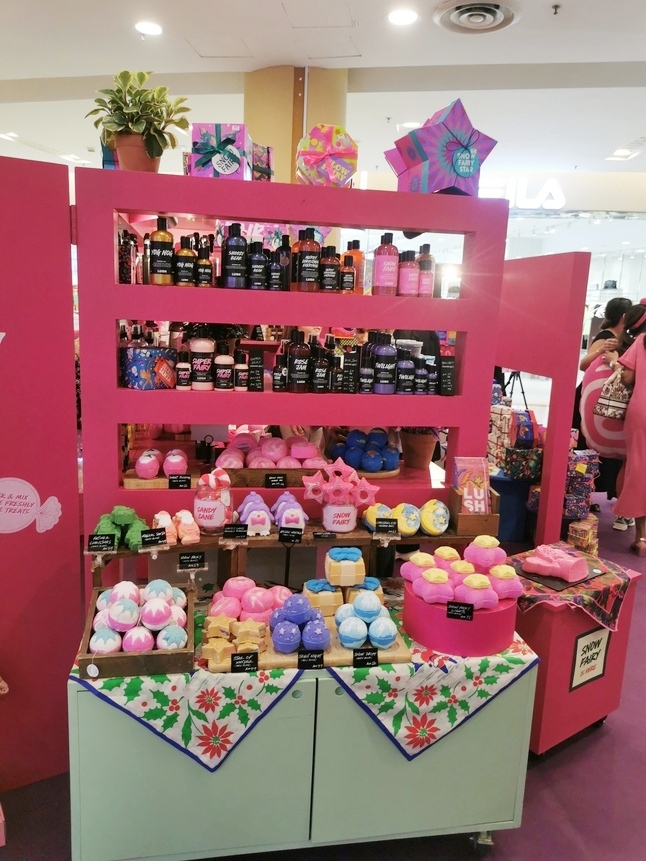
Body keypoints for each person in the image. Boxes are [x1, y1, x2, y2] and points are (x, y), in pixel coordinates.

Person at [574, 297, 633, 526]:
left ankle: (592, 495)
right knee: (588, 450)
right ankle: (583, 496)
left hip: (610, 402)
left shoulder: (626, 339)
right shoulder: (607, 336)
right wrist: (604, 352)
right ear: (624, 316)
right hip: (595, 401)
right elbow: (584, 364)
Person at [611, 300, 646, 556]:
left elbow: (627, 377)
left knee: (639, 470)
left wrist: (615, 363)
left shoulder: (642, 341)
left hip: (641, 410)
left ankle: (642, 537)